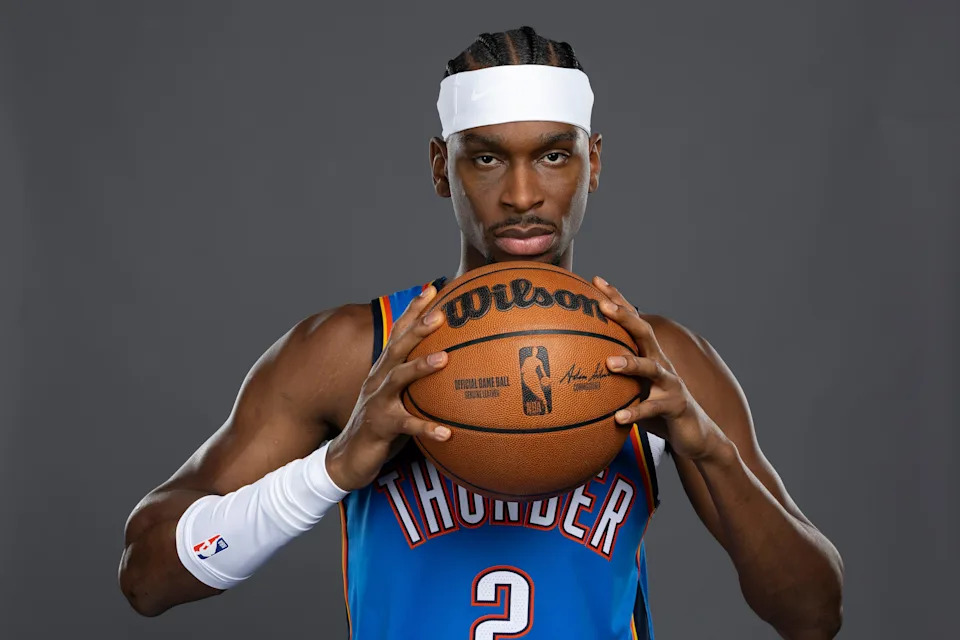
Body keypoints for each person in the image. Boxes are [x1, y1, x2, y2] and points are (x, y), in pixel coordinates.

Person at [118, 26, 844, 639]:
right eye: (487, 157)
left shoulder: (656, 360)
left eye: (554, 155)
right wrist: (332, 470)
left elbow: (814, 615)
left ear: (594, 161)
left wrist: (707, 448)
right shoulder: (354, 350)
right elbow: (147, 576)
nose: (522, 195)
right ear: (442, 167)